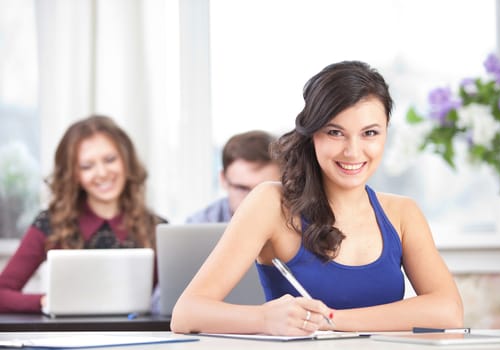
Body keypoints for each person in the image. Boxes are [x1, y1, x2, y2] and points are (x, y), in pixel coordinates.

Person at [171, 61, 463, 335]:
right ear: (312, 135)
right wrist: (263, 318)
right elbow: (186, 314)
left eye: (369, 133)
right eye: (335, 132)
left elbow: (448, 311)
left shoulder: (402, 213)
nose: (352, 151)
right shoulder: (271, 203)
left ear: (386, 133)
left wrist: (333, 320)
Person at [0, 115, 166, 313]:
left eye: (110, 159)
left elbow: (174, 299)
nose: (102, 173)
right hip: (68, 339)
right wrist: (48, 301)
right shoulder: (51, 224)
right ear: (74, 174)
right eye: (87, 166)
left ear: (126, 161)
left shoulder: (155, 228)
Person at [186, 130, 280, 223]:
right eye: (242, 188)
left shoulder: (293, 222)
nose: (252, 201)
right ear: (223, 179)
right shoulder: (198, 224)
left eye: (264, 190)